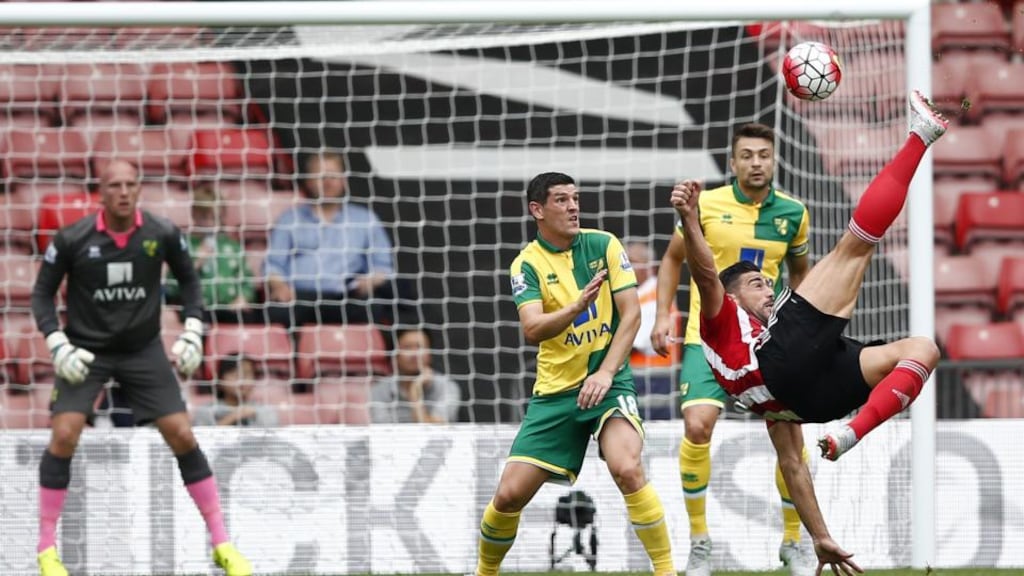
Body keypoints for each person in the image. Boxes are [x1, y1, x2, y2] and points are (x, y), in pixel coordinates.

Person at [670, 89, 947, 575]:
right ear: (732, 298)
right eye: (757, 284)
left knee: (923, 349)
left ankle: (849, 435)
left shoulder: (767, 400)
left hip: (810, 401)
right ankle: (921, 135)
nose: (768, 289)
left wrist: (820, 537)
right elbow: (706, 274)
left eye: (767, 282)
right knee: (855, 245)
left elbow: (793, 466)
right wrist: (690, 220)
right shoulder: (722, 318)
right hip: (782, 362)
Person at [30, 159, 252, 576]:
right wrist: (57, 343)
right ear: (101, 191)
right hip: (87, 350)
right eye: (115, 185)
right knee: (64, 434)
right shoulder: (73, 238)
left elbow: (190, 282)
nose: (123, 192)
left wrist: (193, 329)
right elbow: (41, 295)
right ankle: (46, 551)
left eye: (130, 184)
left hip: (142, 349)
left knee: (182, 433)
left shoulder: (161, 232)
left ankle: (222, 543)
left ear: (139, 189)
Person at [473, 172, 675, 576]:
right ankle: (484, 573)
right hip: (556, 392)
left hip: (608, 381)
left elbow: (631, 316)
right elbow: (533, 328)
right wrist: (576, 307)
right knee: (508, 496)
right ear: (537, 210)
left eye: (575, 199)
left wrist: (606, 372)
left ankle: (667, 571)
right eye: (562, 200)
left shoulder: (604, 244)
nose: (573, 207)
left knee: (627, 467)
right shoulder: (527, 264)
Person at [649, 122, 815, 575]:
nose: (756, 163)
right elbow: (673, 259)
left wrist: (804, 330)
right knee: (697, 425)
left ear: (774, 160)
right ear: (733, 162)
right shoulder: (708, 204)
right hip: (709, 336)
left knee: (790, 437)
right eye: (747, 155)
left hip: (769, 342)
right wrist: (663, 315)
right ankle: (699, 542)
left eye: (763, 155)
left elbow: (800, 274)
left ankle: (794, 542)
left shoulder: (794, 213)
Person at [264, 151, 413, 328]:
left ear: (344, 180)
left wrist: (370, 281)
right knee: (277, 311)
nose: (327, 182)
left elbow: (382, 266)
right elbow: (273, 264)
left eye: (333, 176)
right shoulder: (289, 219)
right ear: (308, 182)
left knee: (376, 307)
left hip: (348, 299)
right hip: (300, 298)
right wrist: (279, 286)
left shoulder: (365, 219)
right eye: (321, 176)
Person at [165, 182, 261, 324]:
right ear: (194, 215)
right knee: (198, 321)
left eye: (215, 218)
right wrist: (196, 263)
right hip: (198, 308)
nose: (210, 224)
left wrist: (243, 298)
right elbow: (171, 287)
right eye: (205, 218)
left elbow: (247, 280)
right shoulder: (184, 245)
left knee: (249, 318)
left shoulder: (232, 246)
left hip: (230, 308)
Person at [625, 241, 677, 420]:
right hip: (641, 376)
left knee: (649, 427)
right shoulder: (639, 294)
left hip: (652, 377)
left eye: (632, 261)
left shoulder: (654, 295)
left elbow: (632, 342)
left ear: (650, 266)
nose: (627, 267)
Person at [369, 328, 460, 423]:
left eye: (420, 347)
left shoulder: (446, 386)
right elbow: (383, 430)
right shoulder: (379, 390)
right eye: (407, 347)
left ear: (430, 354)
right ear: (395, 355)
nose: (415, 354)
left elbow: (436, 430)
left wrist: (415, 392)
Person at [192, 354, 279, 427]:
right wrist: (233, 417)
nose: (241, 379)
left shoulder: (265, 411)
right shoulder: (206, 411)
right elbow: (200, 439)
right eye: (235, 373)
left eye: (247, 373)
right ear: (220, 380)